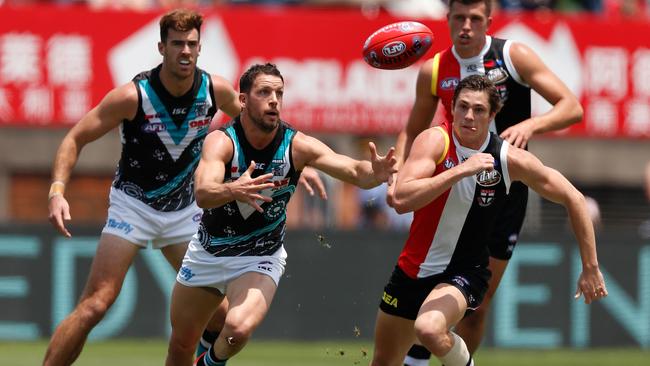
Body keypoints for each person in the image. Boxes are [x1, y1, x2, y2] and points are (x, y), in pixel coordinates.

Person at [42, 9, 326, 366]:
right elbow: (75, 138)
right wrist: (56, 190)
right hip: (133, 206)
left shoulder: (214, 90)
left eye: (192, 44)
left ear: (200, 48)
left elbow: (262, 125)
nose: (185, 51)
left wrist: (297, 160)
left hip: (185, 212)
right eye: (177, 43)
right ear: (162, 47)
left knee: (223, 319)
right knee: (97, 303)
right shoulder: (134, 95)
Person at [389, 0, 585, 363]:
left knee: (476, 305)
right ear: (446, 19)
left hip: (502, 194)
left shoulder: (513, 56)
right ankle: (417, 357)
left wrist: (531, 124)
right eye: (459, 18)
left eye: (474, 19)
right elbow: (413, 129)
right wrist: (397, 174)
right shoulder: (433, 70)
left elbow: (571, 106)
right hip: (450, 189)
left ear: (488, 22)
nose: (466, 26)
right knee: (428, 292)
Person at [164, 63, 396, 366]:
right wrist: (235, 189)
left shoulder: (296, 145)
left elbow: (353, 170)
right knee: (180, 345)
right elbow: (204, 194)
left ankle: (208, 363)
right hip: (208, 253)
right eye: (264, 92)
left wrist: (374, 173)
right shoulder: (221, 141)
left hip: (260, 257)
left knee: (237, 328)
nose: (274, 99)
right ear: (243, 100)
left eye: (279, 93)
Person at [372, 75, 607, 366]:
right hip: (411, 270)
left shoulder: (507, 158)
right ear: (452, 108)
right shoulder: (434, 140)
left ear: (492, 114)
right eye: (463, 107)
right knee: (384, 362)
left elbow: (575, 198)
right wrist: (460, 171)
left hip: (463, 272)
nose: (469, 116)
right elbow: (401, 199)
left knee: (429, 329)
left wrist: (590, 267)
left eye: (479, 109)